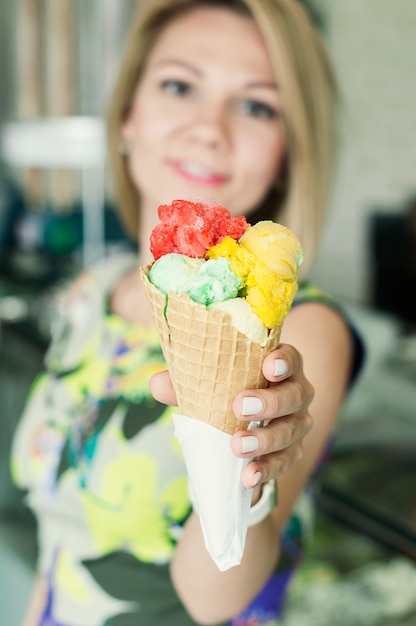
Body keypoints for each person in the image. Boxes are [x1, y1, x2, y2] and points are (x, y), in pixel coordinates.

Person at [11, 1, 364, 625]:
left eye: (256, 105)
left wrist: (247, 475)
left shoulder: (303, 331)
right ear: (127, 117)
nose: (210, 128)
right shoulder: (92, 291)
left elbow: (215, 597)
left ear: (288, 147)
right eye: (179, 86)